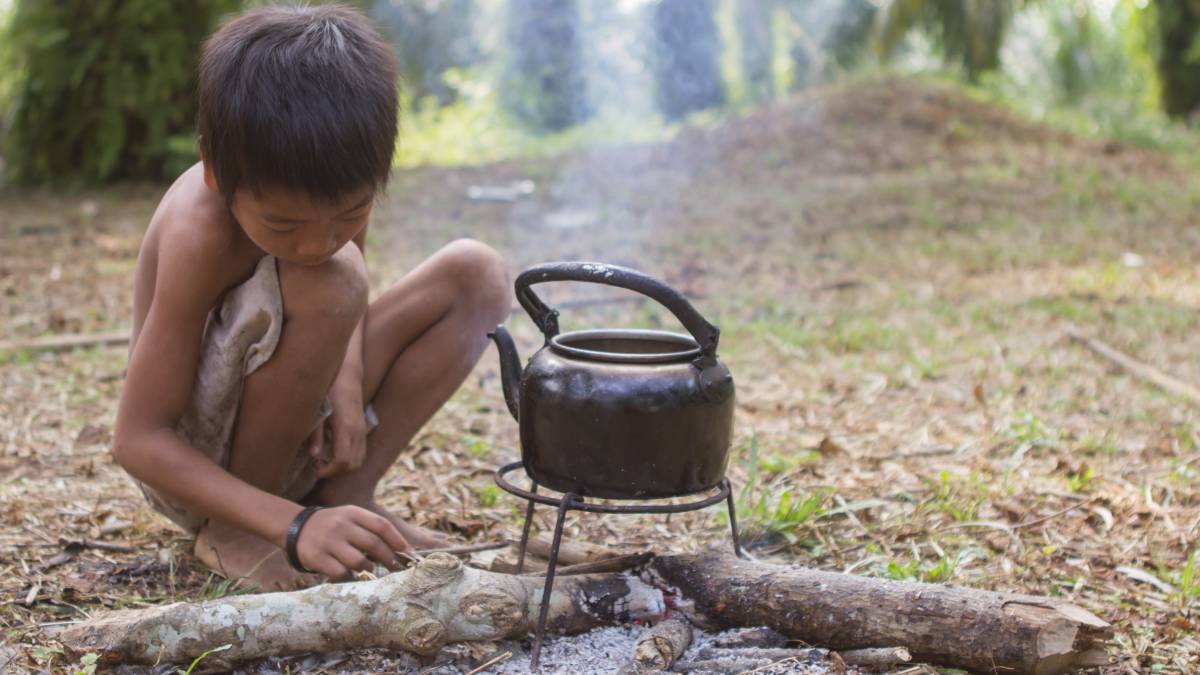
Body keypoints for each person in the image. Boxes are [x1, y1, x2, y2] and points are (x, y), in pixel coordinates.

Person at [113, 4, 510, 590]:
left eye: (351, 213)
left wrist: (345, 386)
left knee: (477, 273)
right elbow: (138, 439)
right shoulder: (200, 231)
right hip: (197, 467)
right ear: (217, 171)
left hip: (300, 425)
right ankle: (236, 528)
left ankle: (347, 491)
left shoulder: (331, 193)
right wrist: (291, 526)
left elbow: (345, 301)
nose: (320, 240)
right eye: (282, 225)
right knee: (333, 278)